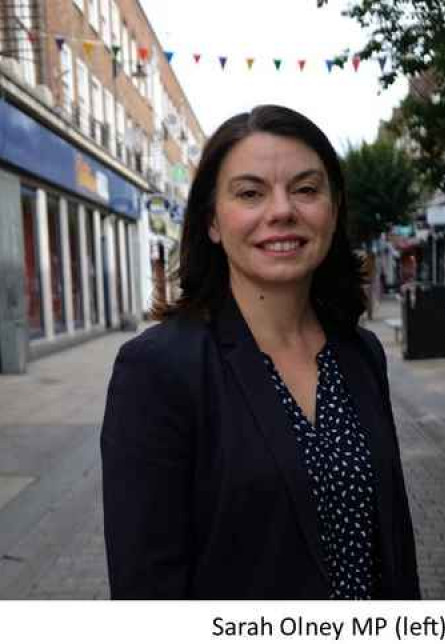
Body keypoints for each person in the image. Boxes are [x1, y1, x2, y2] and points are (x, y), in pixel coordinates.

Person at [101, 105, 420, 599]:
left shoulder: (361, 353)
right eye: (250, 193)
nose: (281, 211)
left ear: (332, 212)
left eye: (306, 189)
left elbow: (393, 542)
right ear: (212, 220)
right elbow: (147, 588)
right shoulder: (158, 370)